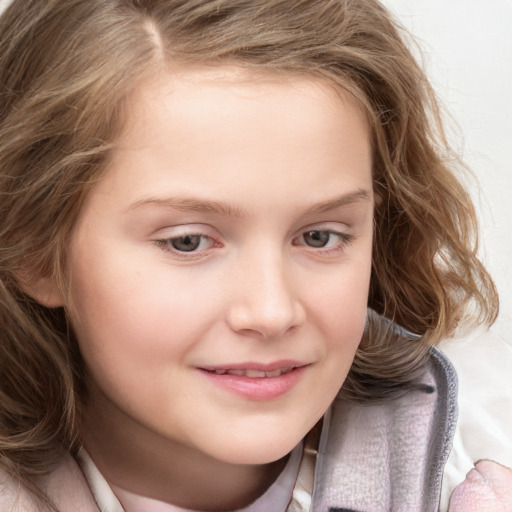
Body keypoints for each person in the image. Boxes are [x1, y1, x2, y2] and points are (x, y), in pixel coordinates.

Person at [0, 1, 509, 511]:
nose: (271, 311)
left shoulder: (480, 460)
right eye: (188, 242)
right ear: (35, 249)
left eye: (319, 237)